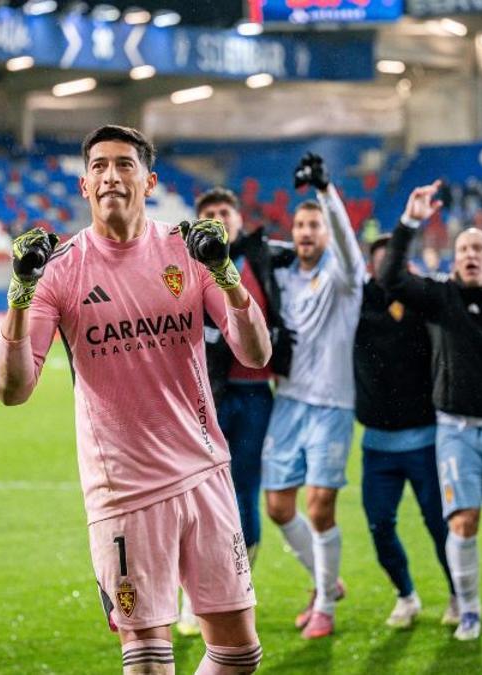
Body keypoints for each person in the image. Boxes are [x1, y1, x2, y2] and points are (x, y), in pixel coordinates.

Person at [0, 125, 271, 673]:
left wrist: (225, 272)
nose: (110, 176)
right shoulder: (59, 270)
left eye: (123, 165)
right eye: (98, 166)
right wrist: (21, 296)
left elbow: (256, 352)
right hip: (124, 492)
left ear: (149, 181)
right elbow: (13, 389)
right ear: (83, 185)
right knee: (148, 662)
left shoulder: (187, 250)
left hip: (204, 471)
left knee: (240, 653)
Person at [379, 181, 482, 642]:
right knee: (464, 519)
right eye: (462, 248)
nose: (469, 255)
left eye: (477, 249)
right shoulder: (441, 297)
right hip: (457, 429)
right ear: (454, 257)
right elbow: (391, 279)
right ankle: (468, 611)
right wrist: (409, 223)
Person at [177, 187, 295, 637]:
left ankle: (238, 587)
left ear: (240, 218)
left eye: (224, 211)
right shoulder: (183, 264)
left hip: (256, 393)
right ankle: (192, 597)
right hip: (204, 395)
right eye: (208, 213)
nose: (218, 218)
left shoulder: (264, 256)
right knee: (195, 492)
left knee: (244, 488)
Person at [262, 152, 364, 639]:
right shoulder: (282, 277)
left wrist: (327, 193)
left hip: (331, 407)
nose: (305, 232)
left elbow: (348, 245)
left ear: (325, 233)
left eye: (314, 226)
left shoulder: (343, 280)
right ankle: (326, 582)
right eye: (299, 225)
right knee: (279, 508)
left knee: (321, 505)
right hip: (287, 403)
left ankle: (324, 604)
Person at [355, 235, 455, 630]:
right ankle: (406, 595)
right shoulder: (355, 301)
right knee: (379, 525)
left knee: (438, 522)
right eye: (383, 266)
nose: (390, 274)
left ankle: (457, 593)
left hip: (425, 439)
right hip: (377, 443)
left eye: (397, 266)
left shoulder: (424, 304)